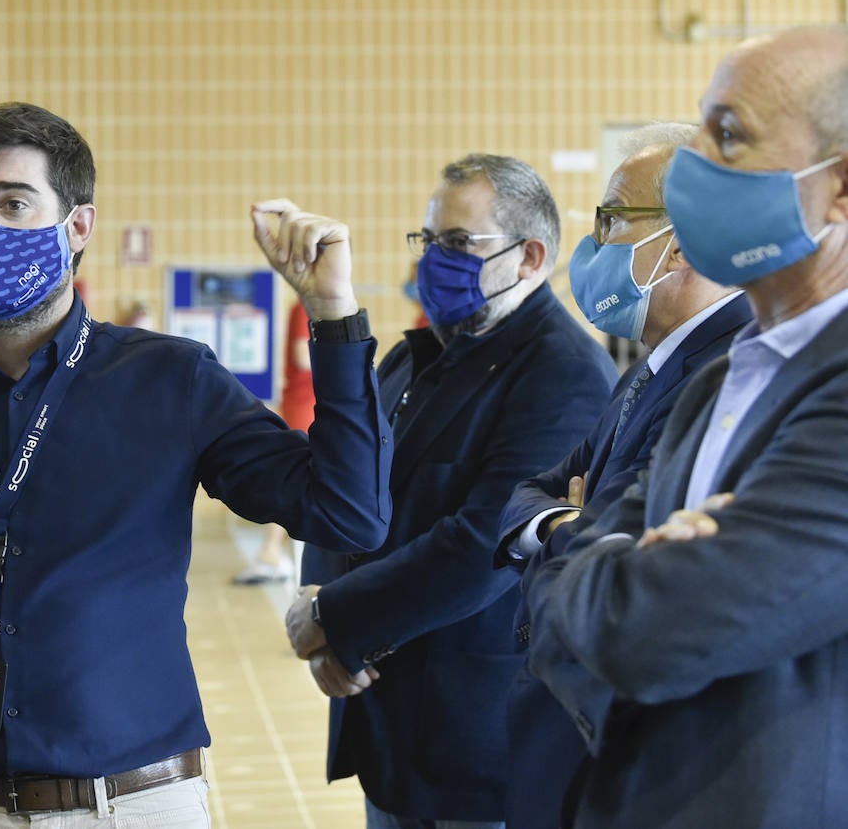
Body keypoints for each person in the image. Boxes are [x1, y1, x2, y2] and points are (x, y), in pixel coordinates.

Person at [0, 101, 393, 829]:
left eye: (13, 202)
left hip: (136, 804)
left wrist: (334, 317)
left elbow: (348, 513)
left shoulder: (168, 381)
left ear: (76, 227)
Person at [525, 24, 848, 829]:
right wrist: (616, 555)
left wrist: (591, 557)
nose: (692, 168)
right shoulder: (720, 376)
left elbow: (648, 632)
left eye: (728, 135)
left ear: (839, 188)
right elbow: (591, 606)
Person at [284, 154, 616, 829]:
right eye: (431, 240)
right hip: (388, 721)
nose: (437, 259)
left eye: (461, 244)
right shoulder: (417, 356)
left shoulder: (563, 372)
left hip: (480, 741)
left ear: (530, 257)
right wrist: (328, 623)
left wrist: (338, 622)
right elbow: (346, 492)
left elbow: (484, 543)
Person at [492, 123, 751, 829]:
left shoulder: (727, 369)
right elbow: (538, 493)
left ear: (681, 239)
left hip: (622, 745)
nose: (595, 243)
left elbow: (619, 556)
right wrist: (558, 521)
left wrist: (567, 530)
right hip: (572, 736)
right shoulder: (655, 361)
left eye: (611, 219)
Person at [232, 299, 313, 585]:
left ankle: (272, 551)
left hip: (303, 401)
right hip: (305, 403)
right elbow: (303, 356)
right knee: (296, 477)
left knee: (296, 476)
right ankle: (270, 551)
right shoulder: (305, 308)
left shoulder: (300, 308)